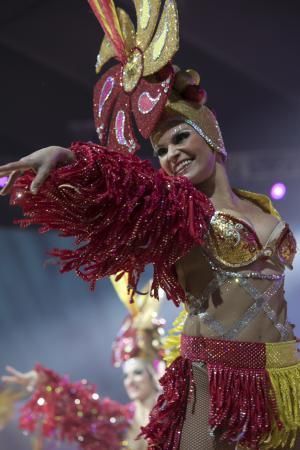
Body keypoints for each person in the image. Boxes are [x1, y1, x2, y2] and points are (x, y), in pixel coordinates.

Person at [0, 0, 299, 448]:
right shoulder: (179, 209)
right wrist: (71, 162)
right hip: (212, 380)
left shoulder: (265, 209)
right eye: (159, 150)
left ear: (212, 136)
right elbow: (121, 190)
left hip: (283, 377)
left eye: (180, 137)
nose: (170, 155)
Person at [1, 276, 165, 450]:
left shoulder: (173, 412)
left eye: (138, 373)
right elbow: (82, 411)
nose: (130, 381)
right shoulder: (120, 421)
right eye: (126, 375)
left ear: (154, 373)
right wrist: (45, 382)